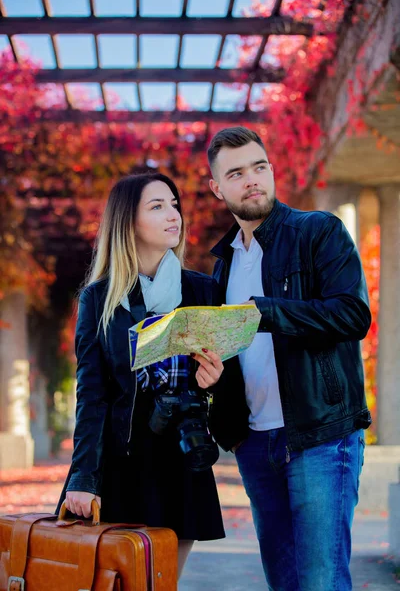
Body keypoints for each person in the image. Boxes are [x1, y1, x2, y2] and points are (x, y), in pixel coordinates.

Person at [207, 126, 372, 591]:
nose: (252, 180)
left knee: (320, 582)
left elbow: (353, 314)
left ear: (272, 170)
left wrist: (267, 311)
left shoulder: (318, 232)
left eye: (259, 167)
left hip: (321, 436)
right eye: (236, 174)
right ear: (218, 188)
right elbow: (237, 355)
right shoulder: (223, 264)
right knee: (283, 582)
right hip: (255, 444)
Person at [57, 172, 225, 579]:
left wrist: (213, 378)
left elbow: (230, 376)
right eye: (157, 206)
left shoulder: (202, 291)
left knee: (162, 584)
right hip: (121, 461)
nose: (174, 215)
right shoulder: (100, 298)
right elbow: (92, 395)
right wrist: (83, 476)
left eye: (173, 204)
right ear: (128, 222)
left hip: (181, 459)